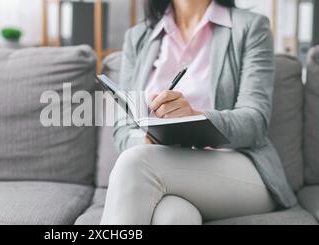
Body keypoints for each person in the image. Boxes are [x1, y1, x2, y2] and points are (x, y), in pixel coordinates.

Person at [100, 0, 297, 225]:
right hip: (163, 165)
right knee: (173, 216)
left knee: (135, 163)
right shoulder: (138, 37)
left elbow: (256, 122)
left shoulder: (251, 27)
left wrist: (195, 116)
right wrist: (143, 140)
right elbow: (122, 127)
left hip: (237, 166)